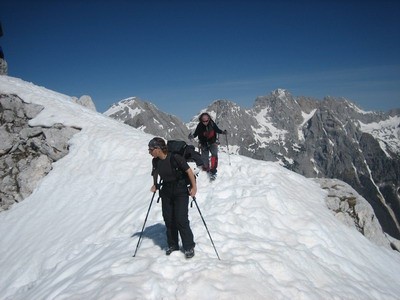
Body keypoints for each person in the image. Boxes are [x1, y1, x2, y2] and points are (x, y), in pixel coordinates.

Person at [149, 137, 197, 258]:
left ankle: (189, 246)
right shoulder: (155, 161)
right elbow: (155, 172)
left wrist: (193, 187)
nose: (149, 152)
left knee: (181, 219)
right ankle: (173, 245)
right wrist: (155, 184)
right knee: (169, 219)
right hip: (166, 190)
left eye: (151, 149)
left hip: (180, 190)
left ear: (158, 149)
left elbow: (189, 172)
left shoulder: (175, 157)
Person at [189, 112, 227, 177]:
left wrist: (223, 132)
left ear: (209, 119)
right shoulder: (199, 126)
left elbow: (217, 130)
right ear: (201, 120)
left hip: (212, 142)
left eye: (207, 120)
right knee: (204, 157)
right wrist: (192, 136)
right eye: (204, 121)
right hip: (204, 143)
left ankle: (213, 169)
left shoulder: (212, 124)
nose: (205, 122)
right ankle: (206, 167)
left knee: (214, 154)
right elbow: (196, 134)